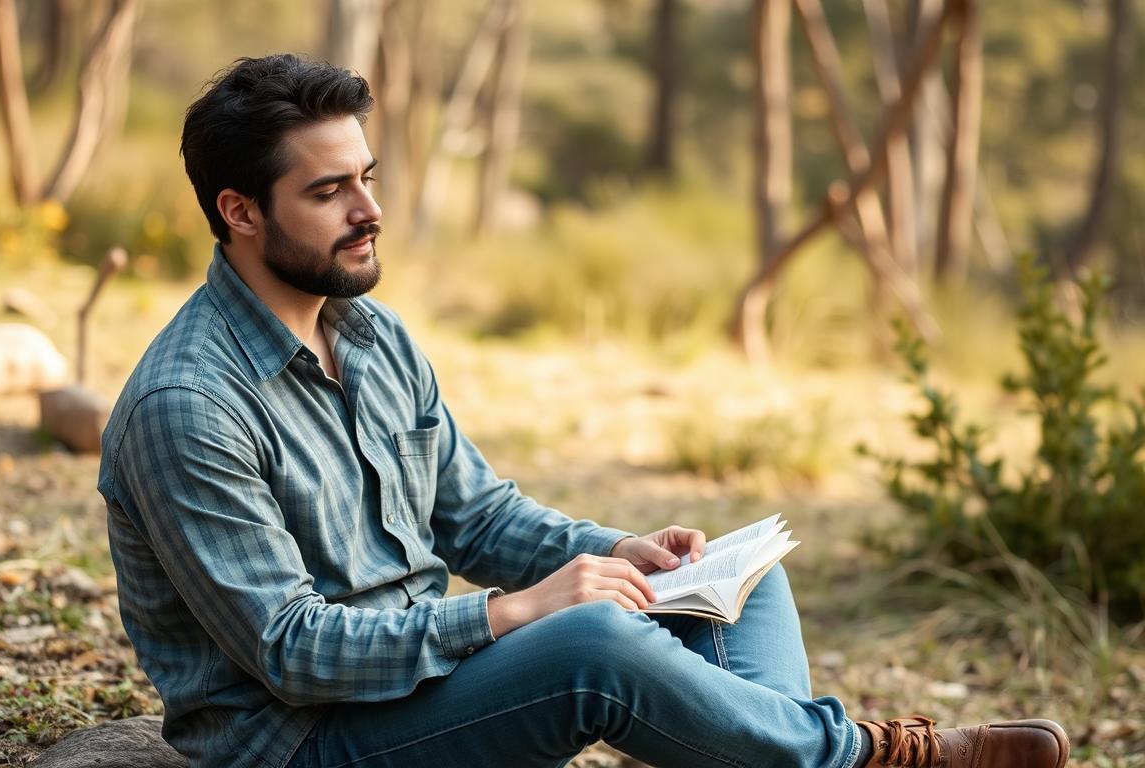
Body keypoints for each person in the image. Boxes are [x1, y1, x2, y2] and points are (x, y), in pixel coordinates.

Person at [98, 53, 1070, 768]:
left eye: (368, 178)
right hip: (306, 740)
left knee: (739, 580)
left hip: (425, 685)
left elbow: (473, 515)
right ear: (240, 211)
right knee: (588, 649)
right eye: (329, 190)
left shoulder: (370, 334)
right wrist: (518, 612)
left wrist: (630, 552)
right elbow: (291, 651)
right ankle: (871, 755)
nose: (368, 209)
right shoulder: (188, 405)